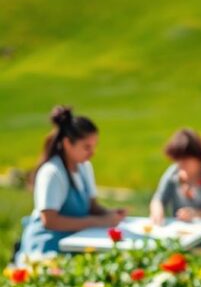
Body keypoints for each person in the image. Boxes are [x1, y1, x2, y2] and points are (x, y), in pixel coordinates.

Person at [16, 106, 125, 260]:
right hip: (45, 251)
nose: (92, 152)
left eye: (94, 146)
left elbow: (92, 206)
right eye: (86, 147)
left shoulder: (84, 167)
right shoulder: (52, 172)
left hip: (73, 245)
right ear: (67, 143)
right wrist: (98, 222)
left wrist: (110, 214)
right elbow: (50, 221)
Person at [149, 128, 201, 235]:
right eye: (177, 160)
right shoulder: (173, 173)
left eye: (185, 160)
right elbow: (159, 198)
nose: (181, 164)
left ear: (198, 157)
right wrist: (157, 210)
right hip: (182, 233)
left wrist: (196, 213)